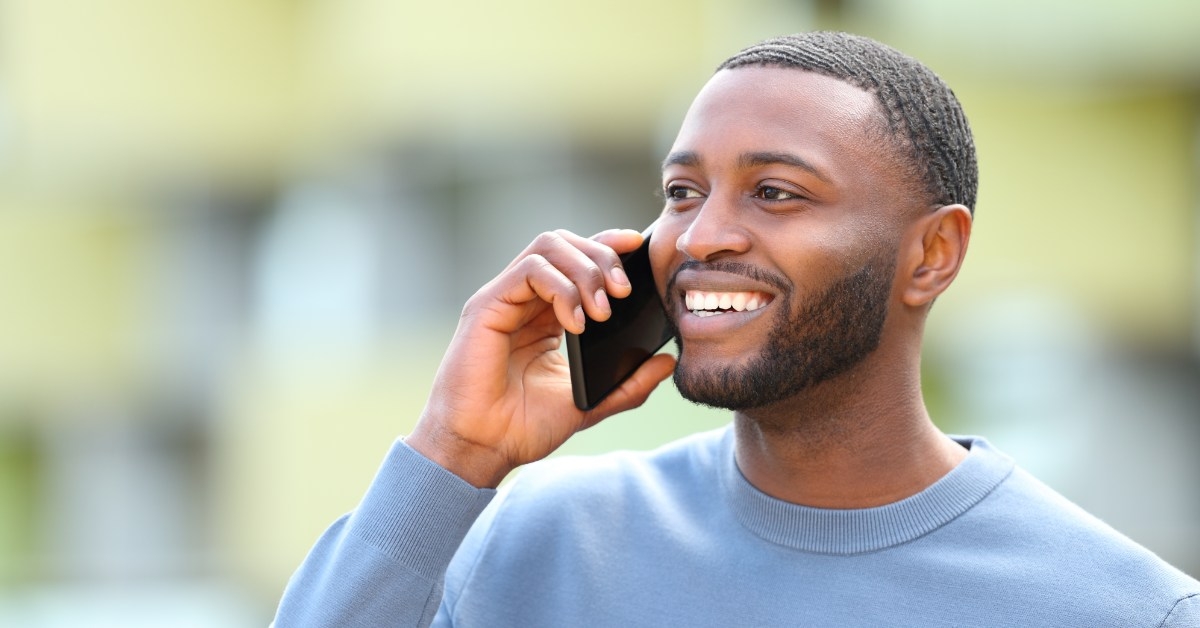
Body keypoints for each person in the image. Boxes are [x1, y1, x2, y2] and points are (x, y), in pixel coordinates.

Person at [272, 32, 1199, 626]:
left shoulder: (1120, 610)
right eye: (683, 192)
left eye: (775, 192)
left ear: (932, 255)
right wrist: (453, 451)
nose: (702, 234)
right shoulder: (536, 543)